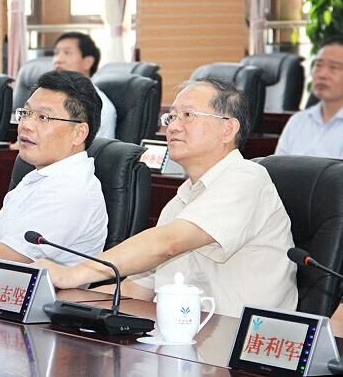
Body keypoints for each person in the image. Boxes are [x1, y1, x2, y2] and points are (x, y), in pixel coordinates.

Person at [36, 79, 298, 317]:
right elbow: (135, 291)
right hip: (189, 337)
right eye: (171, 117)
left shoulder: (246, 179)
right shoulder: (181, 201)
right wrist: (54, 301)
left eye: (188, 115)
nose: (172, 126)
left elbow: (167, 244)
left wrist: (75, 274)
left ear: (227, 129)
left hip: (242, 343)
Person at [0, 70, 108, 271]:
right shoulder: (38, 177)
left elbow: (9, 260)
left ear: (79, 133)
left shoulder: (72, 190)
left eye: (43, 117)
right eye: (25, 113)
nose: (26, 125)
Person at [275, 36, 343, 159]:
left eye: (333, 67)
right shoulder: (298, 121)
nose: (322, 74)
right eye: (318, 65)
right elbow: (277, 167)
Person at [53, 32, 117, 139]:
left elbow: (99, 148)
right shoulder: (48, 95)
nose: (57, 60)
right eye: (56, 53)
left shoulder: (101, 108)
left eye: (67, 53)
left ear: (88, 62)